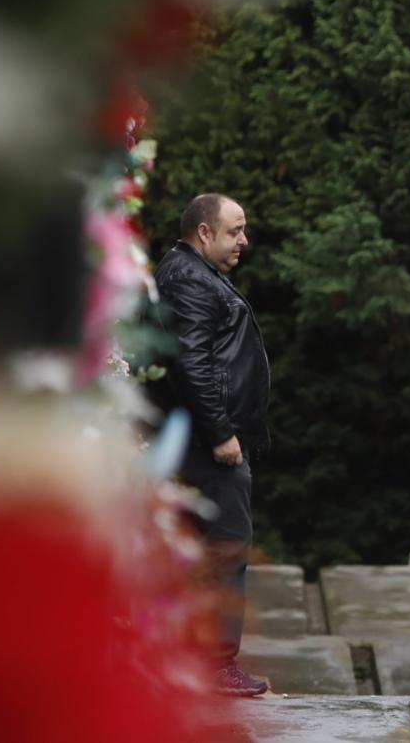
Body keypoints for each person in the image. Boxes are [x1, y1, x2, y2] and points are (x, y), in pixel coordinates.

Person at [153, 193, 271, 696]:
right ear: (205, 233)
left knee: (205, 548)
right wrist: (222, 434)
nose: (244, 240)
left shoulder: (190, 272)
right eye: (235, 230)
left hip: (204, 439)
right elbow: (191, 364)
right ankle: (216, 665)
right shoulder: (189, 279)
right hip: (209, 445)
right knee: (225, 547)